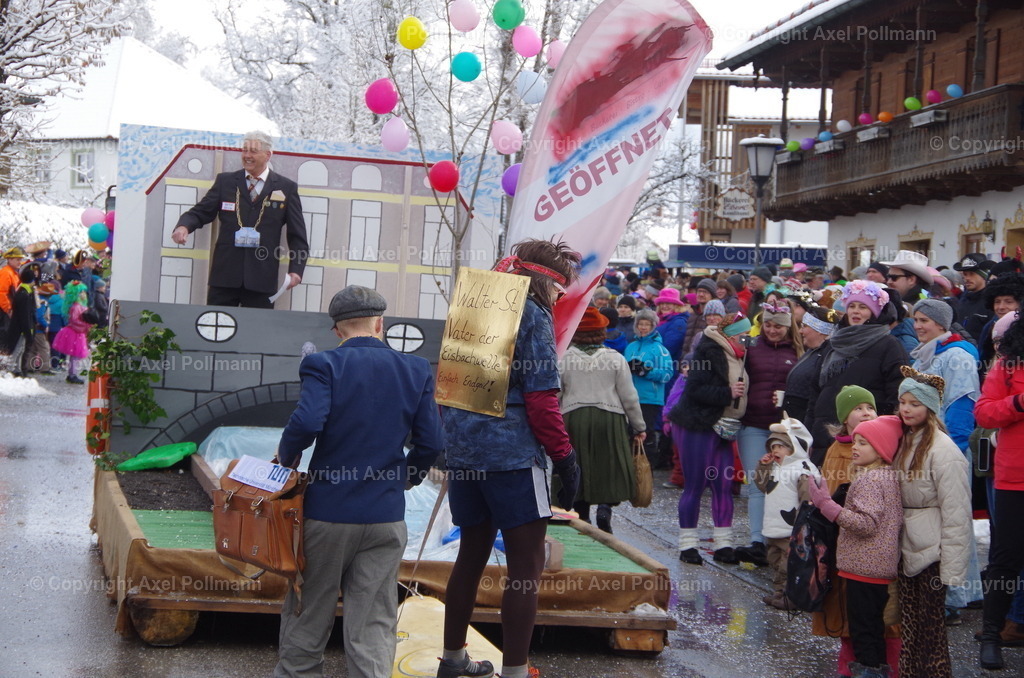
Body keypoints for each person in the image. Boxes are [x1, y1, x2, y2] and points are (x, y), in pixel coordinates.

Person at [273, 285, 442, 678]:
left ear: (337, 330)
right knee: (373, 623)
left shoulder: (323, 365)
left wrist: (287, 456)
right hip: (385, 515)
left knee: (309, 611)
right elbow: (431, 440)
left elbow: (308, 421)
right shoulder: (416, 369)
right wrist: (406, 480)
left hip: (328, 513)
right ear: (381, 323)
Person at [440, 239, 581, 678]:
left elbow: (447, 387)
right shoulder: (534, 314)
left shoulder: (474, 308)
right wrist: (565, 456)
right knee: (526, 566)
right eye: (561, 291)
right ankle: (516, 671)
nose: (560, 300)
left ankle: (453, 660)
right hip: (513, 456)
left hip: (465, 453)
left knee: (470, 556)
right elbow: (541, 400)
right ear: (546, 282)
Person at [809, 415, 903, 678]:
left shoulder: (871, 480)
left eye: (864, 443)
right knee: (872, 629)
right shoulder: (887, 476)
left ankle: (870, 672)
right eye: (855, 441)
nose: (855, 447)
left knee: (864, 632)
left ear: (881, 449)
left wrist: (826, 505)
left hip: (865, 568)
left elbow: (865, 524)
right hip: (877, 568)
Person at [893, 367, 972, 678]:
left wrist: (951, 568)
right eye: (903, 402)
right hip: (905, 545)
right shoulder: (903, 441)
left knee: (929, 632)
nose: (907, 409)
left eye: (915, 403)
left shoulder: (944, 451)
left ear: (929, 408)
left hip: (931, 552)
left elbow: (957, 513)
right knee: (909, 629)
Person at [172, 130, 309, 308]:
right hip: (224, 277)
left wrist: (296, 270)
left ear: (267, 155)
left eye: (253, 151)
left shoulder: (286, 188)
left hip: (262, 280)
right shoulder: (226, 182)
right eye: (244, 150)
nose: (247, 156)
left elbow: (298, 236)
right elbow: (201, 212)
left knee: (256, 331)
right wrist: (184, 226)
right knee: (216, 330)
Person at [669, 314, 751, 565]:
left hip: (725, 427)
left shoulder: (740, 354)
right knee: (695, 485)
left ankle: (724, 544)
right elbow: (693, 389)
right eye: (742, 334)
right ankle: (688, 545)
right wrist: (727, 393)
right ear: (731, 334)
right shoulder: (707, 350)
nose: (746, 339)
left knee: (723, 484)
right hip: (698, 424)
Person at [558, 307, 646, 533]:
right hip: (610, 418)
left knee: (579, 467)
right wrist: (639, 427)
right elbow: (629, 396)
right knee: (609, 466)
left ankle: (582, 516)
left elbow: (555, 394)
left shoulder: (564, 359)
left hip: (573, 417)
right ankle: (605, 508)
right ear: (602, 332)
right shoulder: (615, 359)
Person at [806, 281, 909, 464]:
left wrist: (878, 429)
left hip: (865, 440)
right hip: (825, 436)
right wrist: (809, 430)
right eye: (852, 306)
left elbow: (897, 394)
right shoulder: (834, 343)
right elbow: (816, 392)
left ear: (874, 312)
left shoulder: (888, 345)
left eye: (863, 307)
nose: (855, 311)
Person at [735, 300, 803, 568]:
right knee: (756, 483)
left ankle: (782, 540)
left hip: (785, 429)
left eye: (778, 326)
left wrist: (787, 398)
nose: (772, 330)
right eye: (768, 325)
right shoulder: (751, 347)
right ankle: (756, 541)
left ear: (789, 327)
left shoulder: (799, 350)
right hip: (753, 423)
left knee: (784, 485)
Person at [975, 312, 1024, 669]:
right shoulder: (1008, 364)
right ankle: (991, 636)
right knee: (1004, 561)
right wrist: (1019, 404)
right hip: (1015, 477)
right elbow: (985, 413)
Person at [754, 417, 819, 609]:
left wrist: (805, 521)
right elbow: (763, 486)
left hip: (791, 529)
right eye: (773, 447)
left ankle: (790, 594)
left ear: (795, 447)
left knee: (788, 563)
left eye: (781, 447)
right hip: (774, 526)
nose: (775, 451)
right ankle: (779, 592)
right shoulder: (776, 468)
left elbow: (808, 497)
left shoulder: (801, 470)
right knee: (774, 559)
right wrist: (764, 467)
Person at [623, 309, 673, 468]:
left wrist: (646, 371)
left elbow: (667, 374)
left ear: (653, 326)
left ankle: (646, 470)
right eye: (640, 324)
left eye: (647, 324)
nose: (643, 327)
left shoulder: (660, 349)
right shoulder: (631, 346)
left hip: (650, 398)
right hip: (629, 396)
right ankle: (630, 470)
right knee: (629, 434)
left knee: (646, 434)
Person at [783, 305, 840, 425]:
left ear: (820, 330)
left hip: (808, 422)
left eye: (805, 326)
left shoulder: (829, 355)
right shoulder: (811, 352)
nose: (800, 331)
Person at [51, 281, 93, 384]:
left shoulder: (79, 306)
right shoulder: (76, 306)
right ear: (76, 294)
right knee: (75, 355)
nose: (84, 294)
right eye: (81, 292)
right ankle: (72, 374)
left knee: (75, 355)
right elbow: (74, 320)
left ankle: (72, 373)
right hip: (75, 333)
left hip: (77, 332)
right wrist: (85, 325)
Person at [4, 267, 38, 376]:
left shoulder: (24, 292)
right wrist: (28, 330)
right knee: (18, 348)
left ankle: (16, 368)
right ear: (31, 280)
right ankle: (11, 368)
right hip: (20, 327)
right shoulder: (24, 294)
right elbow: (25, 315)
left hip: (21, 326)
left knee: (21, 348)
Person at [953, 253, 994, 339]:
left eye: (971, 274)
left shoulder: (991, 303)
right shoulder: (962, 301)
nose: (967, 278)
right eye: (965, 274)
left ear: (983, 275)